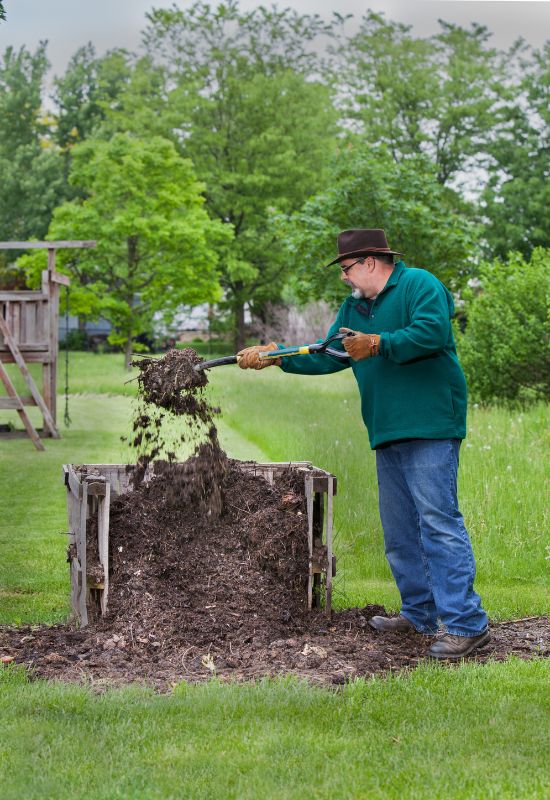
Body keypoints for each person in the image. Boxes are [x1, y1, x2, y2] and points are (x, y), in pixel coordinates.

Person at [237, 228, 490, 660]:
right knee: (399, 530)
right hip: (387, 428)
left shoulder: (419, 285)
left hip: (430, 424)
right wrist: (276, 357)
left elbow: (431, 333)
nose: (344, 278)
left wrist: (379, 343)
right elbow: (327, 352)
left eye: (347, 268)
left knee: (438, 523)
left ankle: (467, 626)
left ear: (371, 262)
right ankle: (420, 614)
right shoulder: (356, 306)